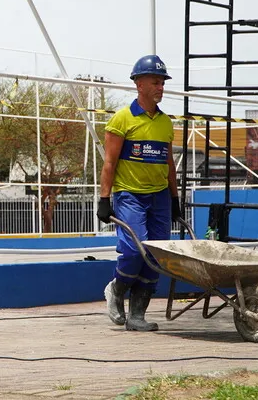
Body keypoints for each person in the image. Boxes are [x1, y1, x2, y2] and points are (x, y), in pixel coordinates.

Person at [96, 55, 182, 332]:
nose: (160, 87)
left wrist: (175, 198)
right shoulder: (122, 119)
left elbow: (168, 163)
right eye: (155, 82)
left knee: (157, 255)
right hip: (129, 195)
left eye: (162, 82)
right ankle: (116, 289)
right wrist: (104, 199)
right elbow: (109, 163)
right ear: (139, 84)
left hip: (159, 197)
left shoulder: (165, 123)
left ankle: (137, 315)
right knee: (135, 250)